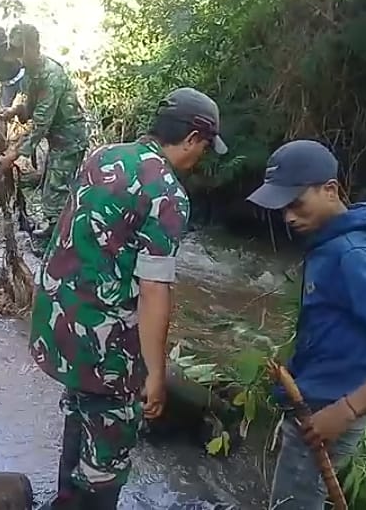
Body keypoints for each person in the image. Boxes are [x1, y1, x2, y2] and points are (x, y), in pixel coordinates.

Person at [31, 88, 229, 509]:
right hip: (107, 347)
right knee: (108, 452)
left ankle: (64, 500)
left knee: (81, 413)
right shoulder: (169, 194)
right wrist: (155, 373)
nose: (202, 158)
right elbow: (155, 288)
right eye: (205, 147)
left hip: (57, 323)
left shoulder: (103, 156)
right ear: (193, 137)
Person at [245, 140, 366, 509]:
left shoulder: (354, 254)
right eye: (282, 207)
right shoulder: (330, 243)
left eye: (296, 203)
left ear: (330, 189)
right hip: (314, 404)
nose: (288, 217)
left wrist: (347, 410)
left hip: (327, 415)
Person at [0, 23, 90, 251]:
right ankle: (55, 230)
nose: (17, 57)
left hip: (70, 139)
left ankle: (59, 244)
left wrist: (14, 154)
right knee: (53, 184)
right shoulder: (30, 74)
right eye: (15, 51)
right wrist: (15, 111)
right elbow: (30, 106)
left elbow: (41, 122)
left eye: (21, 50)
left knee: (56, 191)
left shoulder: (51, 76)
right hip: (57, 138)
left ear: (34, 47)